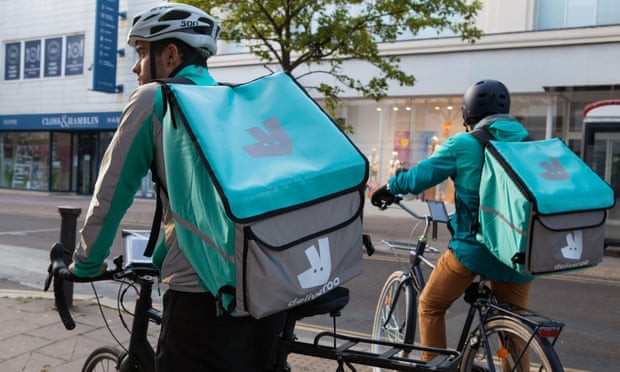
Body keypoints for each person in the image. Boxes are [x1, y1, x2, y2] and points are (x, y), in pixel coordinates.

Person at [69, 4, 284, 371]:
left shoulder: (156, 99)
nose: (136, 67)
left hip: (202, 299)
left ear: (170, 54)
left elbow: (112, 192)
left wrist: (85, 264)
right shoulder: (229, 103)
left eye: (140, 53)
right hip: (268, 289)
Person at [371, 79, 534, 362]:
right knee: (513, 323)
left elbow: (419, 177)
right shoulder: (530, 144)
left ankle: (435, 366)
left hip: (475, 249)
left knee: (431, 305)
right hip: (521, 253)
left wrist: (389, 188)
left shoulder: (464, 143)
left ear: (467, 115)